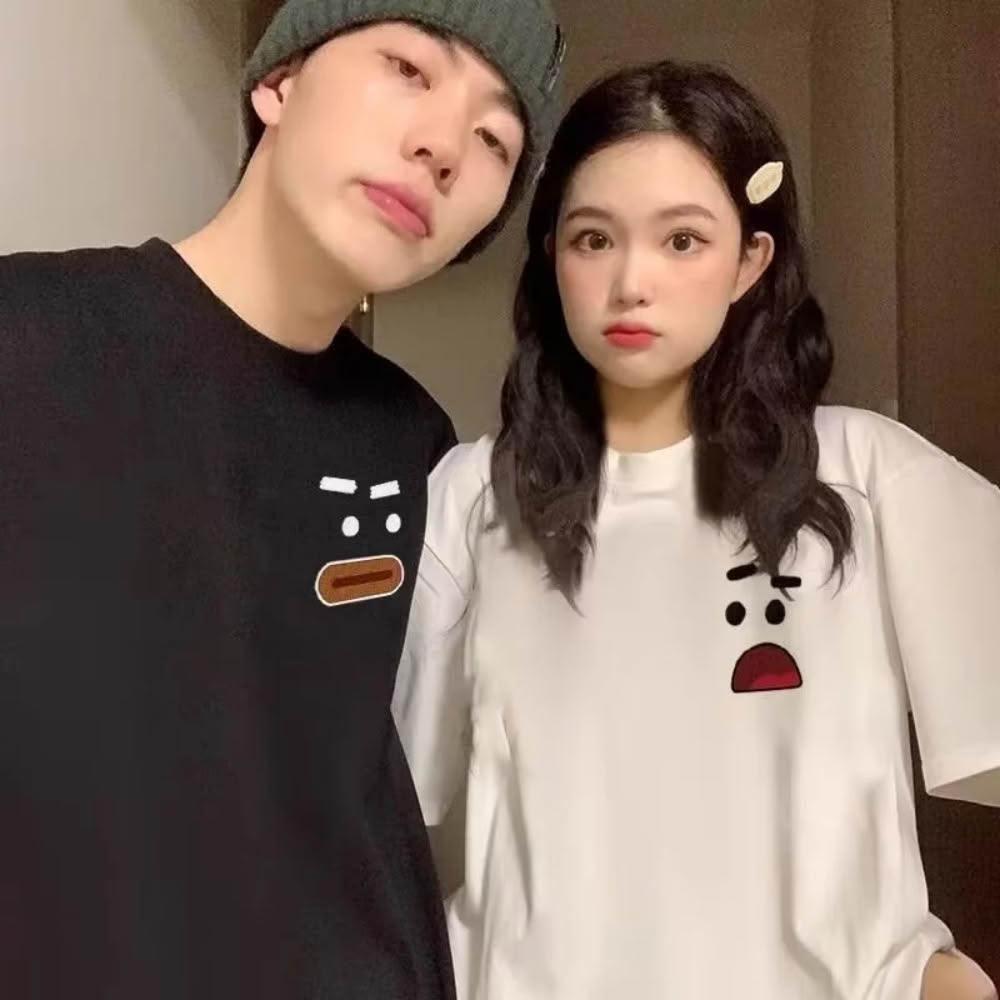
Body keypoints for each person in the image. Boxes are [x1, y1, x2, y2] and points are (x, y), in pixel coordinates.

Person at [394, 59, 1000, 999]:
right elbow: (368, 806)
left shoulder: (866, 476)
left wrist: (939, 978)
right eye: (593, 239)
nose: (631, 282)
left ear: (750, 262)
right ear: (551, 255)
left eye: (682, 240)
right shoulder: (472, 499)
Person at [0, 0, 565, 996]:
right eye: (408, 67)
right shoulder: (28, 338)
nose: (443, 148)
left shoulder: (414, 445)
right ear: (278, 81)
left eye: (494, 141)